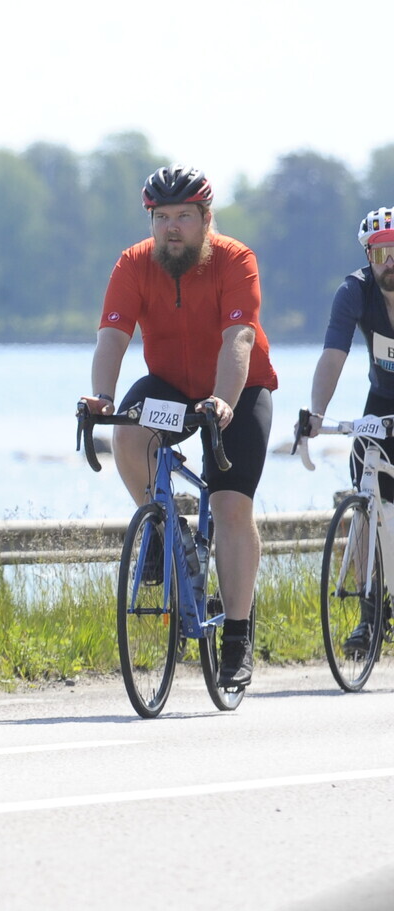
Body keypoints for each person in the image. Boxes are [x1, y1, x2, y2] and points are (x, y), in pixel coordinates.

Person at [78, 165, 277, 689]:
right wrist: (102, 397)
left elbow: (239, 338)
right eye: (161, 217)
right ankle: (165, 530)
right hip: (169, 385)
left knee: (230, 506)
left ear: (206, 219)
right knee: (127, 431)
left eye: (183, 217)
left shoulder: (235, 259)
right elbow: (112, 337)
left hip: (239, 389)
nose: (171, 228)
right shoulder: (133, 264)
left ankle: (237, 635)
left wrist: (223, 401)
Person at [300, 205, 394, 654]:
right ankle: (370, 613)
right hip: (382, 402)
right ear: (368, 258)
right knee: (366, 498)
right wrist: (316, 414)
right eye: (380, 255)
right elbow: (333, 353)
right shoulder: (354, 291)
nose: (390, 263)